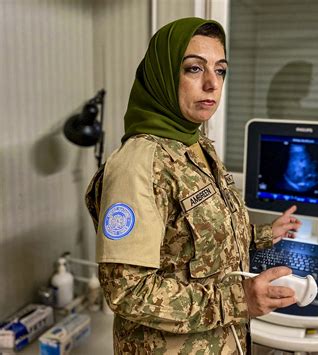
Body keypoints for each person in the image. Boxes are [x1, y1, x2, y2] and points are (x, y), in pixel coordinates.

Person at [85, 17, 302, 354]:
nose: (212, 84)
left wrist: (260, 235)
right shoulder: (139, 164)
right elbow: (126, 291)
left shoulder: (197, 144)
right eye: (193, 69)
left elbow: (187, 241)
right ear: (164, 75)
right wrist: (237, 300)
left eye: (221, 70)